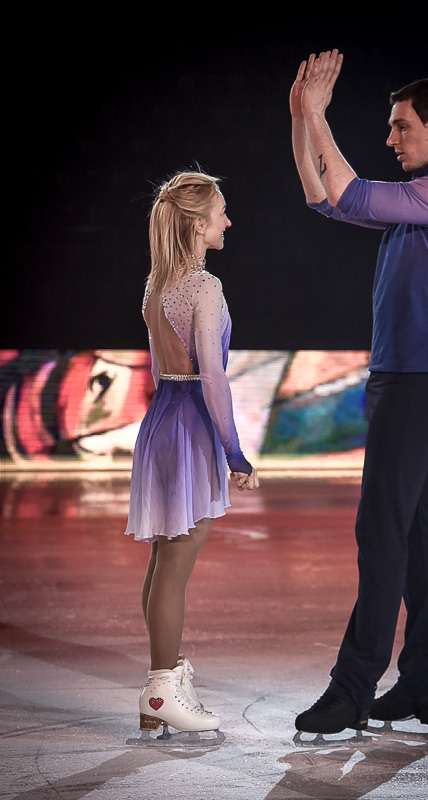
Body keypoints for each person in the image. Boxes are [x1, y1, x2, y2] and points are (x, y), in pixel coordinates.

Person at [290, 51, 428, 734]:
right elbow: (323, 196)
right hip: (406, 380)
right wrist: (300, 118)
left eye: (401, 127)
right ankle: (424, 681)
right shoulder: (417, 202)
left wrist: (318, 115)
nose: (391, 138)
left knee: (381, 534)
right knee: (416, 532)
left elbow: (345, 189)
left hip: (419, 381)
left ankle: (351, 688)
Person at [124, 170, 259, 737]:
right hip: (189, 423)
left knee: (165, 557)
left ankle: (163, 682)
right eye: (221, 213)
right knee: (176, 560)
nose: (228, 221)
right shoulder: (204, 287)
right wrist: (235, 452)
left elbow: (167, 371)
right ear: (198, 224)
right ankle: (161, 689)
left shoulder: (157, 283)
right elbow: (213, 379)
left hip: (161, 420)